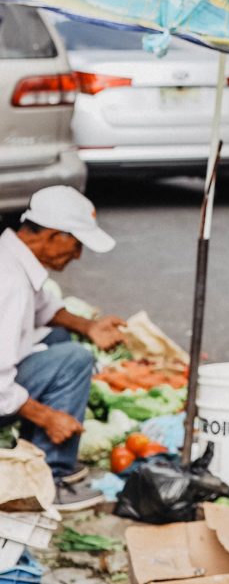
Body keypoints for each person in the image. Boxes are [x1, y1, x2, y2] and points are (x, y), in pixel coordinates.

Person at [0, 187, 125, 511]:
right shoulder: (9, 279)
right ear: (55, 236)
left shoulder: (11, 254)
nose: (78, 255)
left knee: (59, 339)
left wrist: (89, 326)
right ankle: (46, 482)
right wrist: (48, 417)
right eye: (77, 244)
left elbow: (46, 310)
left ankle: (37, 456)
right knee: (75, 359)